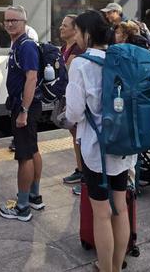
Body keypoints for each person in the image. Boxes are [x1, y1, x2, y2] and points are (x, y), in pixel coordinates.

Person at [65, 10, 133, 272]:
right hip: (125, 146)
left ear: (88, 34)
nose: (76, 37)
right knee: (121, 208)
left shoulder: (81, 64)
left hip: (97, 150)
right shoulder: (122, 58)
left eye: (78, 32)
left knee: (102, 213)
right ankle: (116, 266)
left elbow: (73, 113)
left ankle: (107, 270)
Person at [0, 5, 44, 222]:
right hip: (25, 105)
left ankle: (23, 207)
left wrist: (23, 111)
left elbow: (31, 78)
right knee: (32, 150)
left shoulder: (26, 46)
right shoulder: (18, 45)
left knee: (24, 156)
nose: (9, 24)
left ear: (24, 22)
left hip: (25, 106)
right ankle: (34, 195)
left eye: (14, 20)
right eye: (6, 20)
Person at [59, 14, 84, 190]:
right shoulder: (64, 47)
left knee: (80, 138)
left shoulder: (78, 49)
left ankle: (86, 176)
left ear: (75, 29)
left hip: (75, 97)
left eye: (65, 25)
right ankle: (80, 169)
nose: (61, 27)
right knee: (75, 137)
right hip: (67, 96)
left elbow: (67, 70)